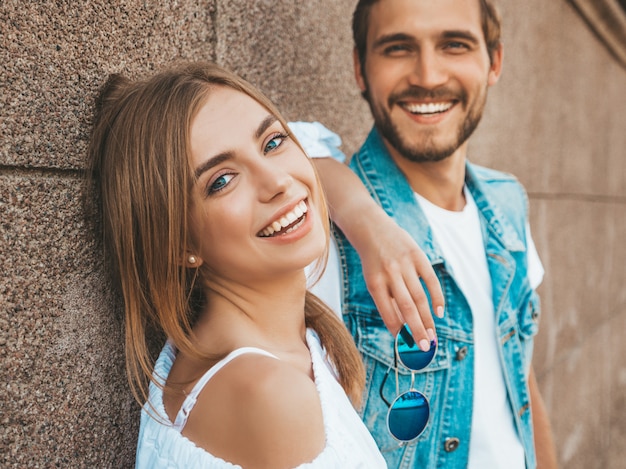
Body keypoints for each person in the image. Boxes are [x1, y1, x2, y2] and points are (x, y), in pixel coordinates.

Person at [294, 0, 559, 467]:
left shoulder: (508, 203)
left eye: (454, 45)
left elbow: (522, 381)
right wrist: (363, 218)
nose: (428, 75)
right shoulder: (326, 243)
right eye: (398, 48)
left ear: (494, 62)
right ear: (360, 68)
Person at [86, 61, 388, 468]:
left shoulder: (275, 346)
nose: (277, 181)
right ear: (178, 243)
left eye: (273, 142)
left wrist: (371, 225)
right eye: (222, 181)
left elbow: (317, 144)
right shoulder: (267, 394)